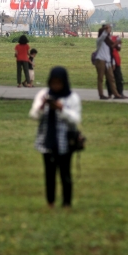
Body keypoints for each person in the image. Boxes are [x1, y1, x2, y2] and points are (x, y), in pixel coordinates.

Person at [29, 67, 81, 208]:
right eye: (53, 83)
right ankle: (50, 201)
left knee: (65, 172)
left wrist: (61, 109)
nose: (56, 86)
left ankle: (67, 203)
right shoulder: (43, 94)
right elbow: (33, 115)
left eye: (59, 83)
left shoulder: (72, 98)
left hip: (65, 141)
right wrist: (41, 107)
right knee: (49, 173)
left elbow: (75, 119)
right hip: (47, 140)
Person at [95, 24, 123, 100]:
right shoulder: (99, 40)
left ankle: (116, 94)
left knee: (111, 78)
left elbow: (110, 53)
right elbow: (103, 35)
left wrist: (113, 62)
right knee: (100, 78)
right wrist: (106, 29)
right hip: (100, 60)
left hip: (107, 61)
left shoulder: (109, 42)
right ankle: (101, 95)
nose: (108, 33)